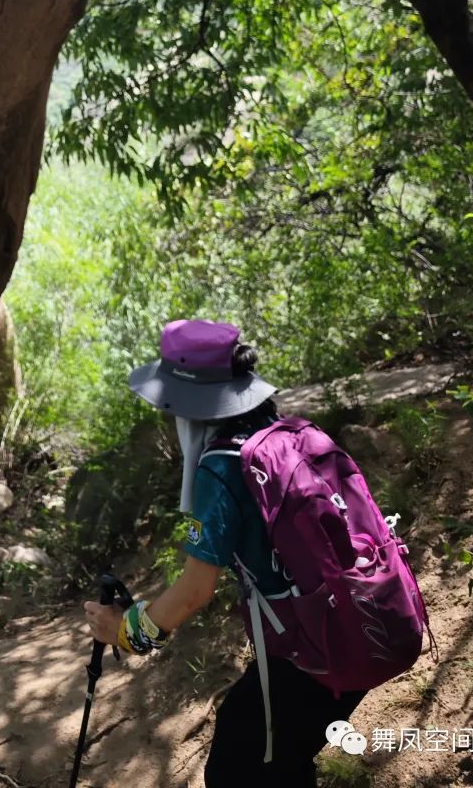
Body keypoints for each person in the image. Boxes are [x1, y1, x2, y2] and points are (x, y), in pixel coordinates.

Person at [81, 317, 369, 787]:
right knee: (276, 757)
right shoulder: (293, 435)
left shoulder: (223, 466)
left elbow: (196, 590)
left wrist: (127, 632)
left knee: (239, 767)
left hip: (315, 650)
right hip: (362, 618)